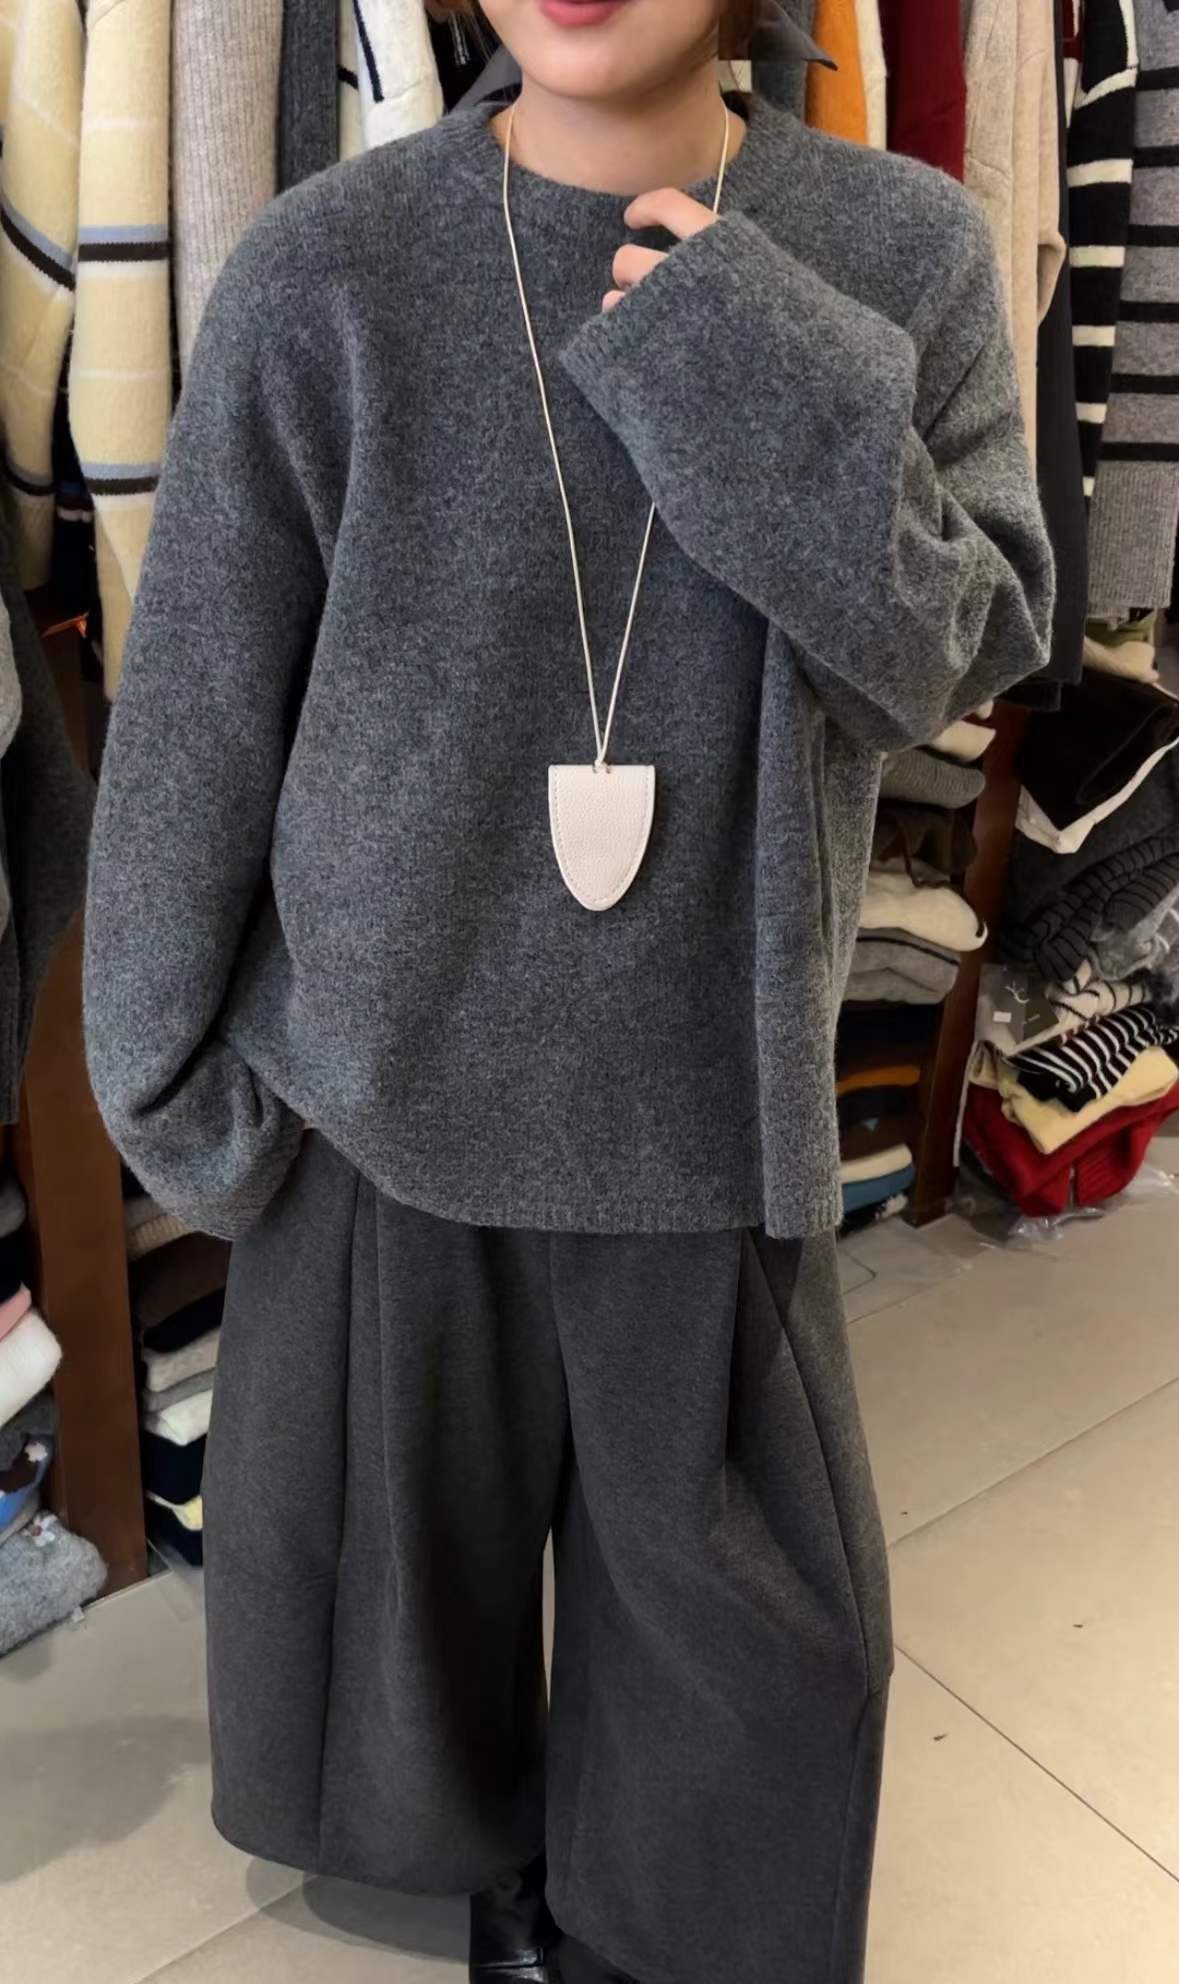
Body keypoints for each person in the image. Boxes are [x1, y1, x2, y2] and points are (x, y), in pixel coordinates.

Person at [83, 0, 1054, 1978]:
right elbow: (198, 709)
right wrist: (170, 1075)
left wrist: (751, 367)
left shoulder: (896, 251)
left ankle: (623, 1907)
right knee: (385, 1644)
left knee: (753, 1662)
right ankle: (493, 1863)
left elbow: (960, 652)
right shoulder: (329, 267)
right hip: (379, 1101)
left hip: (710, 1108)